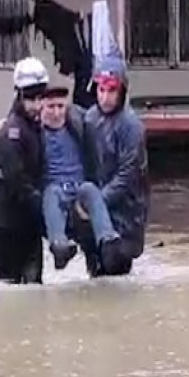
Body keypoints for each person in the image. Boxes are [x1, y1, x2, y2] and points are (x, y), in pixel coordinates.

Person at [71, 54, 149, 277]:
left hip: (126, 215)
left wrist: (97, 202)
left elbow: (128, 175)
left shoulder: (131, 126)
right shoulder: (90, 119)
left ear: (122, 91)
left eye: (111, 91)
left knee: (116, 273)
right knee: (95, 273)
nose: (105, 97)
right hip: (97, 211)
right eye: (101, 90)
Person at [38, 85, 122, 270]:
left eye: (60, 107)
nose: (56, 113)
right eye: (51, 107)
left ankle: (107, 239)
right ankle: (59, 245)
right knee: (51, 194)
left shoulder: (77, 127)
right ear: (41, 108)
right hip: (54, 189)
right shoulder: (36, 135)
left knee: (91, 190)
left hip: (79, 187)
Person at [0, 57, 49, 284]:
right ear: (20, 95)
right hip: (6, 223)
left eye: (41, 97)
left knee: (33, 286)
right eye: (32, 98)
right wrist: (46, 212)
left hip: (26, 222)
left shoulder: (35, 128)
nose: (37, 104)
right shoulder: (11, 132)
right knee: (12, 286)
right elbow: (18, 181)